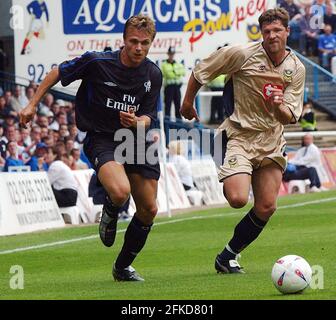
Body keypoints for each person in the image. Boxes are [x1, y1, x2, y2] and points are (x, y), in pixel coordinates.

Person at [19, 14, 162, 282]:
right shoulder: (97, 62)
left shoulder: (153, 73)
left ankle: (122, 267)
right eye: (133, 41)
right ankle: (110, 209)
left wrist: (137, 121)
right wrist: (32, 104)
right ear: (124, 40)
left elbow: (148, 117)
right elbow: (57, 72)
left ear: (151, 42)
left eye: (144, 43)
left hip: (136, 140)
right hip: (102, 137)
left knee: (149, 209)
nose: (139, 48)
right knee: (120, 193)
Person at [180, 8, 305, 274]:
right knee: (237, 199)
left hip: (272, 140)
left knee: (267, 206)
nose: (272, 35)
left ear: (287, 32)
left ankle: (227, 256)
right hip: (239, 135)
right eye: (267, 31)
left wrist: (277, 103)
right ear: (262, 33)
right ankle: (231, 169)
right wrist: (188, 102)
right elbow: (202, 70)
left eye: (277, 30)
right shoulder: (242, 54)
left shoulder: (296, 69)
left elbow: (290, 116)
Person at [161, 46, 186, 119]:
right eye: (170, 54)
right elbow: (168, 75)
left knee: (178, 105)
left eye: (172, 54)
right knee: (168, 106)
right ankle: (167, 125)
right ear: (168, 54)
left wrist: (174, 73)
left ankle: (179, 124)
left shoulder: (178, 64)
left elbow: (183, 72)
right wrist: (177, 73)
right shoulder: (164, 64)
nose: (171, 55)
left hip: (177, 87)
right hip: (169, 88)